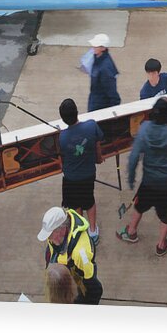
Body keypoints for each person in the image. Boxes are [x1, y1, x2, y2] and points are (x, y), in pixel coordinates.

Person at [116, 97, 167, 256]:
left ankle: (131, 232)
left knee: (139, 206)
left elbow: (133, 158)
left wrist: (131, 180)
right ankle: (161, 245)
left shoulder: (145, 128)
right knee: (166, 216)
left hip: (148, 182)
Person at [59, 98, 104, 245]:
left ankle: (81, 230)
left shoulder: (62, 137)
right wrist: (99, 159)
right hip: (88, 175)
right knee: (89, 201)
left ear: (63, 119)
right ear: (77, 112)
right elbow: (98, 145)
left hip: (71, 178)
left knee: (76, 204)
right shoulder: (91, 126)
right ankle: (92, 231)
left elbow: (63, 158)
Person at [37, 206, 103, 304]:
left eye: (50, 235)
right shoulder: (55, 237)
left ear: (62, 230)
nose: (49, 239)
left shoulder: (80, 253)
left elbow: (93, 288)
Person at [87, 33, 121, 112]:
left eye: (96, 46)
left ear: (103, 48)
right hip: (94, 100)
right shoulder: (97, 58)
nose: (93, 48)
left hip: (100, 106)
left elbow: (112, 93)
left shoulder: (105, 68)